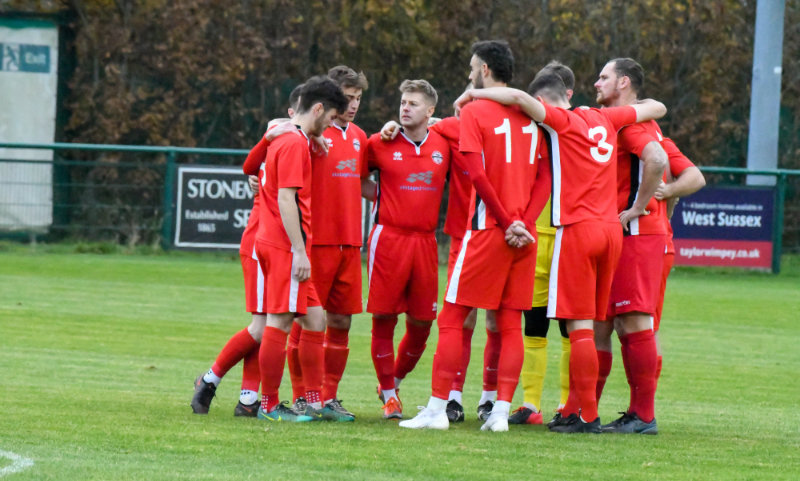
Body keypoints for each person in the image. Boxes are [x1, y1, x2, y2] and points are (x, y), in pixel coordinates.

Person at [451, 69, 667, 433]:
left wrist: (474, 94)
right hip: (612, 230)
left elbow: (517, 98)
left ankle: (586, 415)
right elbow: (657, 107)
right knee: (596, 326)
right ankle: (577, 408)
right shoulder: (607, 118)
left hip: (578, 229)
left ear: (544, 102)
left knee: (580, 327)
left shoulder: (561, 121)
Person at [400, 40, 551, 432]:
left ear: (484, 69)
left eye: (472, 68)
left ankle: (437, 409)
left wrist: (505, 221)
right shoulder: (533, 115)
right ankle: (500, 413)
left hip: (488, 231)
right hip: (524, 237)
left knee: (452, 318)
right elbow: (546, 177)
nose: (469, 75)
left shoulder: (474, 110)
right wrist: (524, 223)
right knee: (510, 324)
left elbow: (477, 175)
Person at [190, 85, 305, 417]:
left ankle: (248, 399)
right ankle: (210, 380)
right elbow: (250, 166)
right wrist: (267, 140)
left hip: (271, 243)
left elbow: (253, 170)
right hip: (261, 242)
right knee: (262, 326)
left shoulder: (304, 142)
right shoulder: (282, 135)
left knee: (267, 325)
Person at [253, 76, 349, 422]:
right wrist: (299, 250)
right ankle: (268, 405)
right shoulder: (293, 143)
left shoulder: (287, 134)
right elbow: (286, 199)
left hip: (278, 241)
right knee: (279, 321)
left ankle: (313, 400)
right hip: (283, 245)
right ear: (319, 109)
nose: (331, 126)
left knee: (315, 318)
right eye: (331, 118)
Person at [284, 66, 373, 422]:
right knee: (305, 320)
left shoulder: (360, 137)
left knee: (341, 320)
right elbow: (278, 140)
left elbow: (363, 183)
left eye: (358, 98)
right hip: (317, 242)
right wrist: (255, 179)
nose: (353, 105)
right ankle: (301, 397)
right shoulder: (309, 133)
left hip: (350, 243)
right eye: (348, 97)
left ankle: (329, 396)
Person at [364, 79, 451, 420]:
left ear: (430, 111)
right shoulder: (380, 142)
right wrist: (387, 197)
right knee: (384, 318)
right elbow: (355, 176)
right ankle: (389, 395)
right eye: (403, 102)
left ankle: (395, 381)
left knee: (423, 323)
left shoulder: (445, 143)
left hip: (426, 242)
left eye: (413, 103)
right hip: (389, 239)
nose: (405, 108)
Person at [591, 58, 668, 435]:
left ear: (623, 82)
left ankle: (643, 416)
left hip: (637, 233)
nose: (596, 82)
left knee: (633, 321)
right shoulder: (626, 119)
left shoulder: (632, 124)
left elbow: (657, 158)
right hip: (626, 234)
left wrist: (638, 207)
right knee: (607, 322)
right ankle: (587, 410)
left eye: (603, 77)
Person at [510, 61, 574, 426]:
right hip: (533, 237)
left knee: (569, 329)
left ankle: (567, 403)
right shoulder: (528, 130)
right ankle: (530, 404)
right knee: (533, 325)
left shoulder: (579, 127)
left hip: (567, 239)